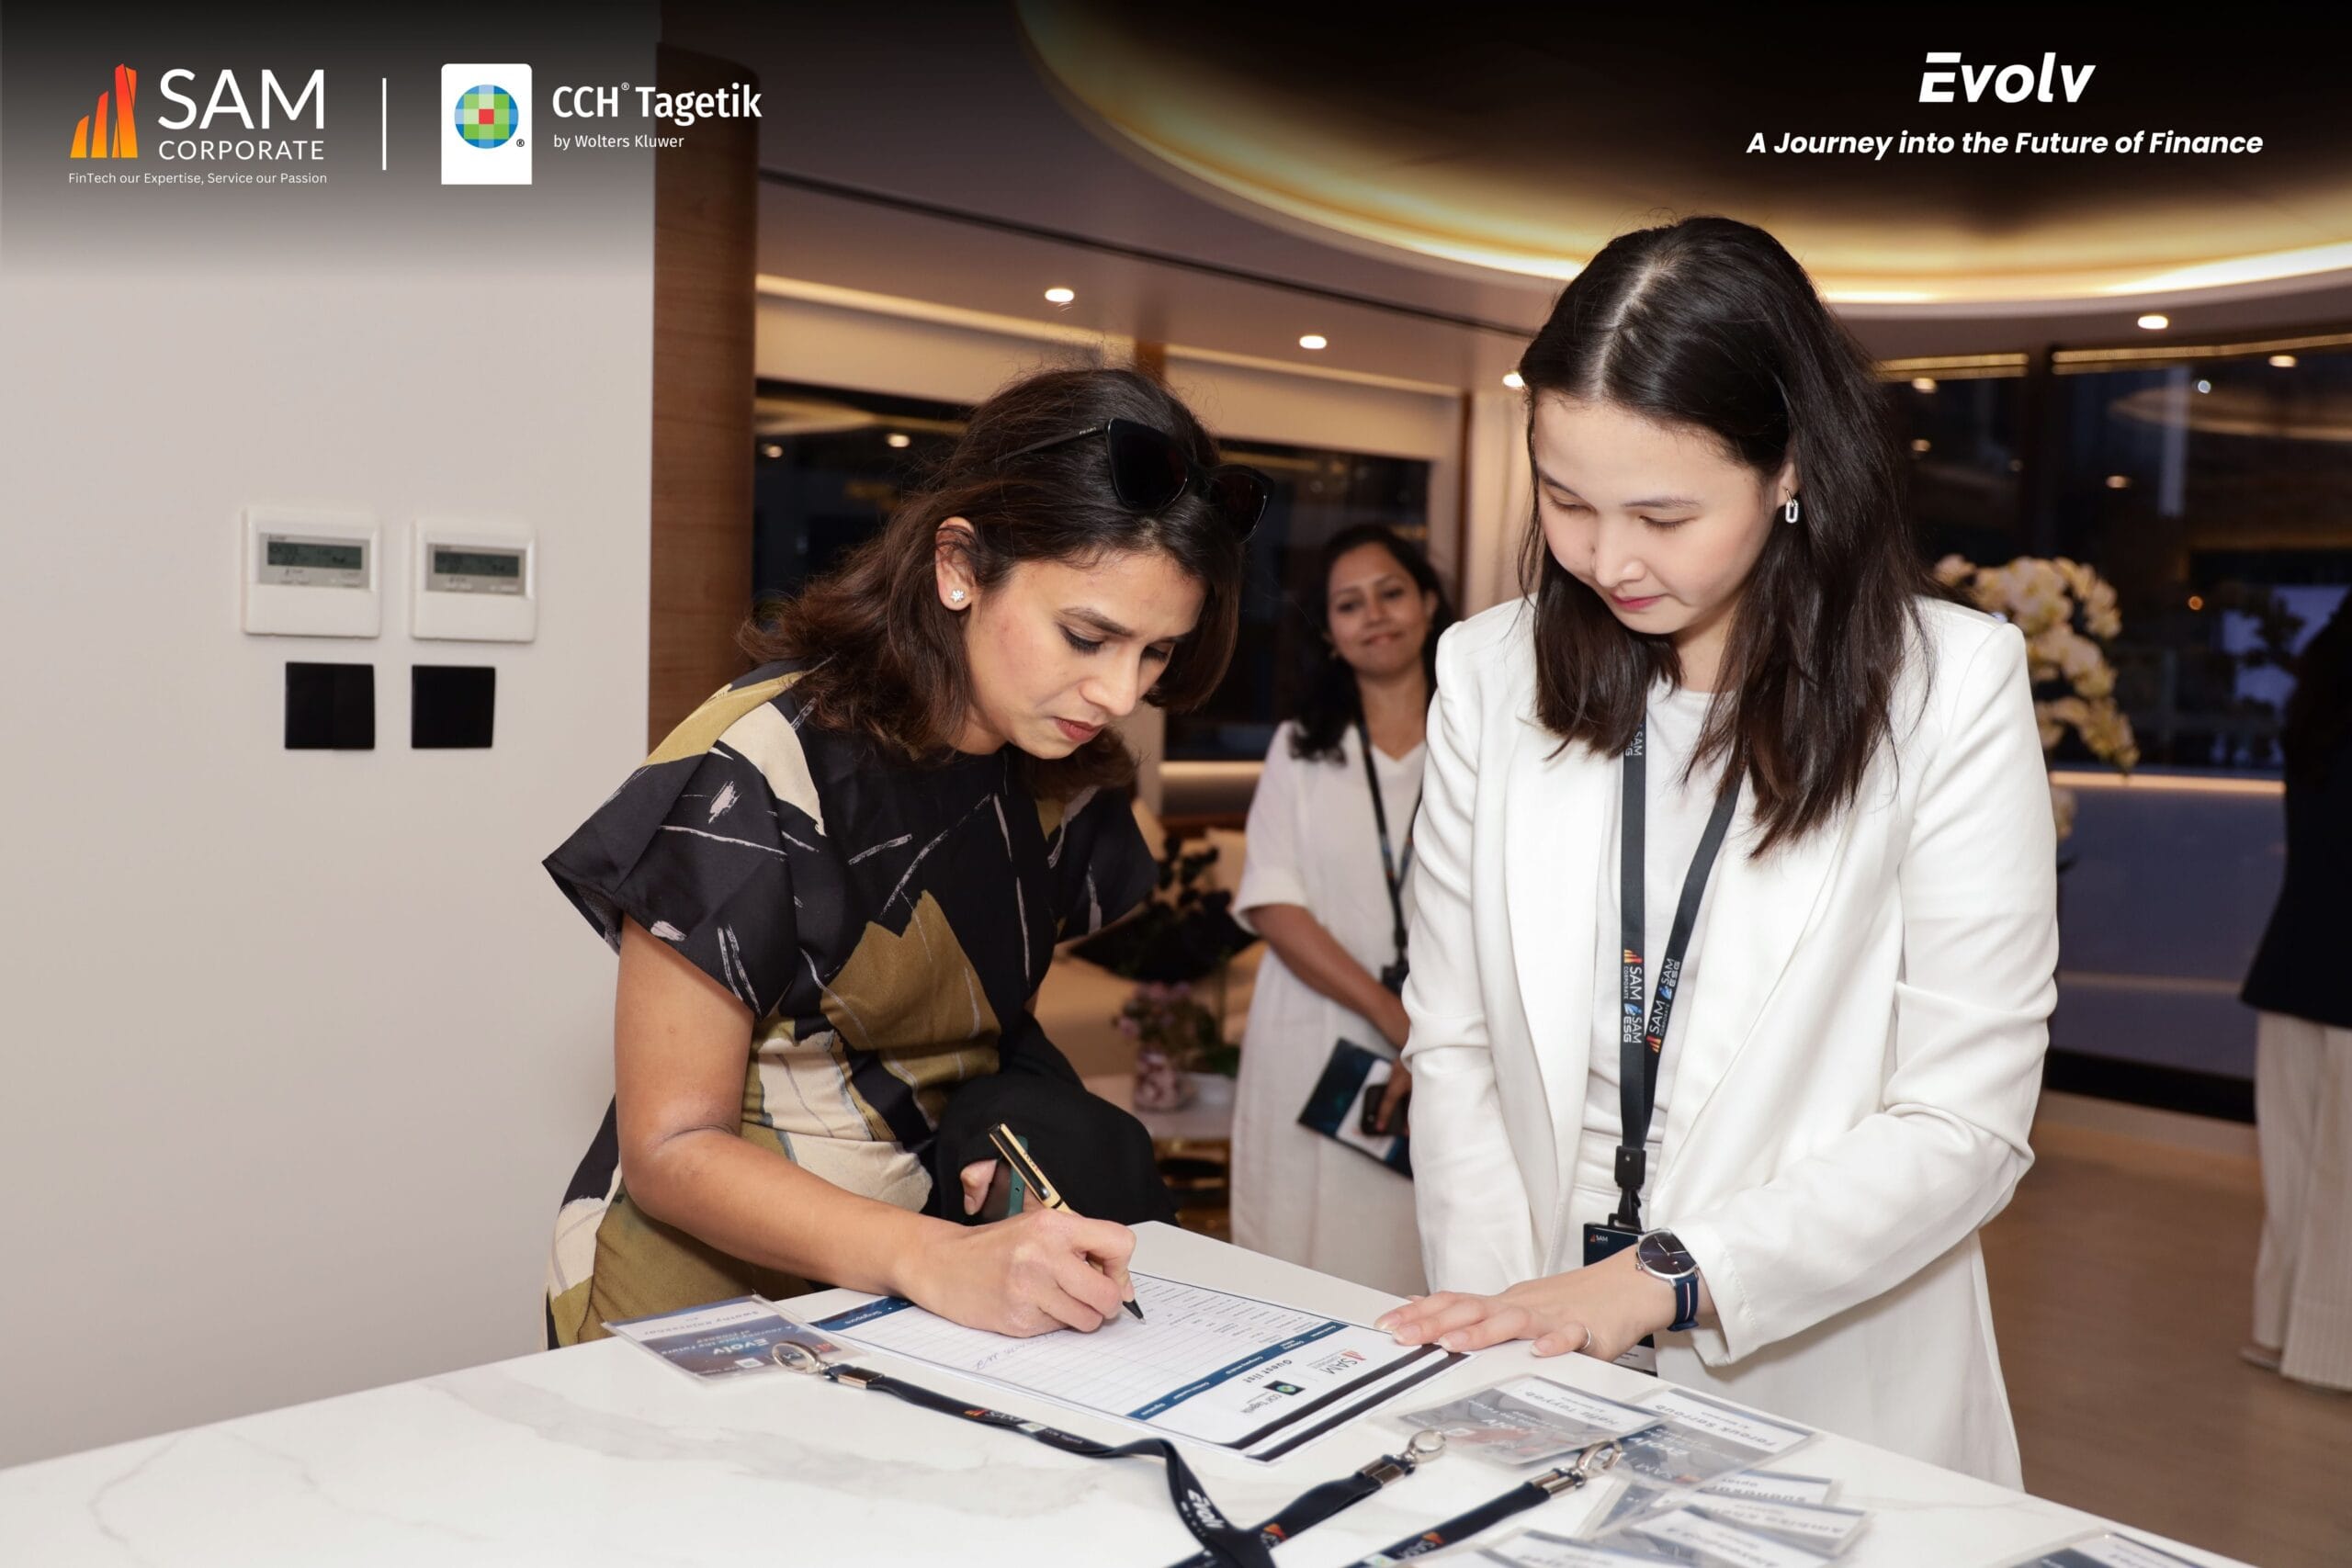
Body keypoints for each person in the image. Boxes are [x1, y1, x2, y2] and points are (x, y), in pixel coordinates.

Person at [1376, 215, 2058, 1486]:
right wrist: (1507, 1317)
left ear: (1790, 466)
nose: (1608, 558)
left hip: (1823, 1362)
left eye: (1663, 512)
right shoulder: (1486, 670)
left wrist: (1658, 1281)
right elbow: (1457, 1037)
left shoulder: (1948, 685)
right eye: (1566, 500)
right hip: (1534, 1333)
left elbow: (1963, 1119)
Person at [538, 366, 1261, 1347]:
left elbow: (974, 1025)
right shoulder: (759, 765)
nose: (1118, 693)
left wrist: (1011, 1144)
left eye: (1155, 653)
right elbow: (672, 1147)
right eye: (1087, 635)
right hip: (701, 1292)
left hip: (925, 1280)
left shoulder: (1057, 771)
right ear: (959, 564)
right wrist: (929, 1257)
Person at [1229, 525, 1454, 1297]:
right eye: (1348, 604)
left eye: (1391, 591)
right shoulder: (1301, 746)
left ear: (1428, 601)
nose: (1375, 614)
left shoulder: (1484, 743)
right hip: (1314, 1033)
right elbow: (1273, 901)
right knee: (1301, 1259)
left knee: (1427, 1268)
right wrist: (1399, 1022)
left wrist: (1434, 1033)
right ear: (1329, 632)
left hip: (1454, 1034)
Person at [2240, 593, 2352, 1390]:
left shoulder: (2320, 701)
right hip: (2335, 975)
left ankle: (2281, 1331)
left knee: (2299, 1172)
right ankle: (2325, 1354)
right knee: (2337, 1180)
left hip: (2295, 961)